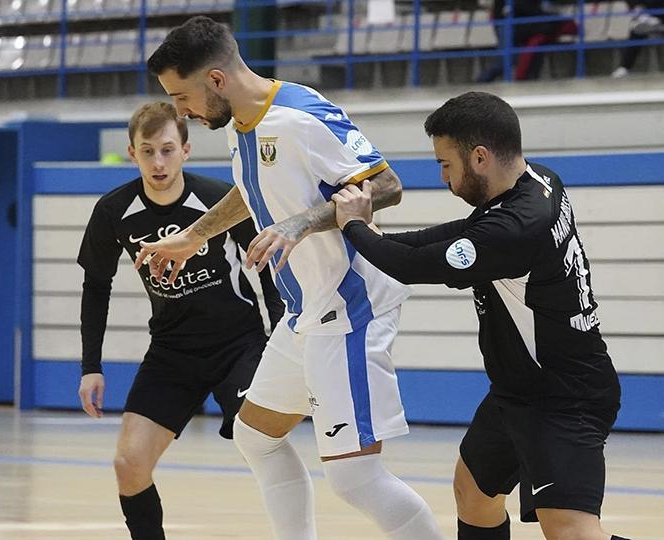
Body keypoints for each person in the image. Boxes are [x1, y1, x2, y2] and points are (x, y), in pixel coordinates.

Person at [137, 15, 444, 540]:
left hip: (350, 307)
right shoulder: (239, 125)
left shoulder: (301, 116)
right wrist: (193, 237)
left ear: (215, 80)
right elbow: (249, 190)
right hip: (305, 314)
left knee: (354, 478)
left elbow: (386, 186)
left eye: (181, 97)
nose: (181, 111)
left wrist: (301, 223)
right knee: (255, 436)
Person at [331, 91, 631, 540]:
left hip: (563, 397)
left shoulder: (516, 229)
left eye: (446, 164)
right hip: (520, 388)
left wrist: (352, 225)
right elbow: (459, 233)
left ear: (480, 157)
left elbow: (415, 267)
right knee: (473, 493)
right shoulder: (537, 182)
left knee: (570, 530)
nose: (442, 177)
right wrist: (380, 234)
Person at [76, 101, 284, 540]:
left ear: (186, 150)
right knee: (128, 465)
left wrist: (280, 341)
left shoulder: (219, 201)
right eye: (147, 151)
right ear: (132, 154)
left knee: (260, 442)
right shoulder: (114, 212)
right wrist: (91, 367)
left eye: (168, 150)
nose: (158, 161)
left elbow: (265, 266)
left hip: (238, 346)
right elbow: (96, 286)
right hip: (171, 352)